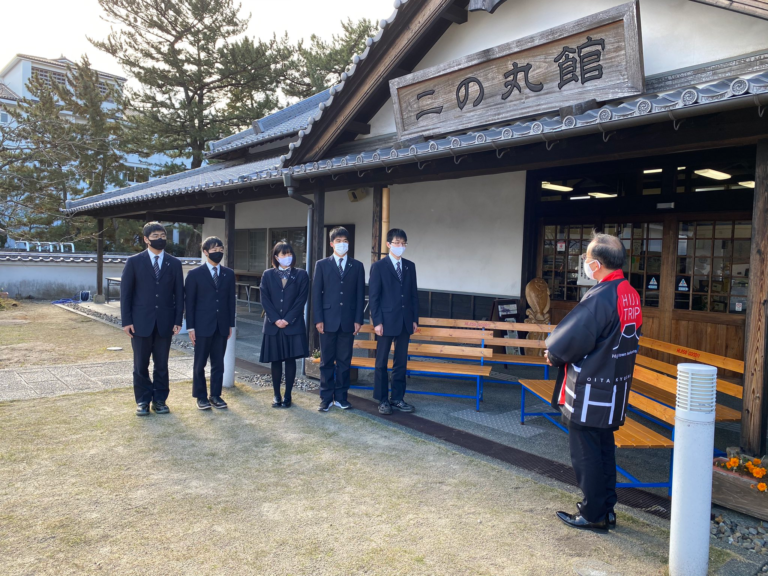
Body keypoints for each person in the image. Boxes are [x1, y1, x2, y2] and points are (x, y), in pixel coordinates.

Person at [544, 232, 643, 531]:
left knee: (586, 452)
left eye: (587, 260)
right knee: (604, 449)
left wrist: (552, 353)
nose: (585, 264)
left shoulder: (602, 296)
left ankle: (593, 513)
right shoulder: (630, 293)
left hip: (591, 387)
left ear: (597, 264)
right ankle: (606, 508)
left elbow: (569, 339)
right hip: (615, 384)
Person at [120, 222, 184, 416]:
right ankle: (142, 401)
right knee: (140, 365)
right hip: (140, 322)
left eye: (163, 235)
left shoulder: (174, 263)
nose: (160, 238)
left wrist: (178, 320)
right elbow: (126, 294)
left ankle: (160, 400)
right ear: (146, 239)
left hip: (165, 322)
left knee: (162, 364)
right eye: (155, 235)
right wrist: (126, 321)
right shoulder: (134, 262)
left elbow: (179, 294)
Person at [312, 226, 365, 412]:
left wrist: (359, 319)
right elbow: (316, 294)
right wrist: (318, 319)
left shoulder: (357, 266)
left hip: (348, 321)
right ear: (331, 244)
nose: (342, 244)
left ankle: (342, 397)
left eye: (345, 241)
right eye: (338, 241)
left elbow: (360, 295)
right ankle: (326, 398)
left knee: (344, 361)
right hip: (327, 320)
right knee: (326, 361)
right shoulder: (322, 264)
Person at [368, 228, 419, 415]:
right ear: (388, 244)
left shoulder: (410, 266)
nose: (400, 246)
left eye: (403, 243)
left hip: (405, 321)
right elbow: (374, 297)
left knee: (400, 362)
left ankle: (397, 398)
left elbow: (414, 294)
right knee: (381, 362)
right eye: (397, 243)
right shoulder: (379, 267)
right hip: (385, 322)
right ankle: (382, 399)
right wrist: (377, 322)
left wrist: (414, 319)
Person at [185, 237, 236, 410]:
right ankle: (201, 396)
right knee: (199, 363)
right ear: (205, 252)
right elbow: (189, 303)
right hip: (201, 326)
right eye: (214, 249)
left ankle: (216, 395)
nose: (218, 252)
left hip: (221, 325)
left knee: (218, 363)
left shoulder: (228, 274)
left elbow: (231, 301)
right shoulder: (194, 275)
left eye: (221, 249)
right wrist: (190, 327)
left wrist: (230, 324)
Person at [259, 240, 309, 408]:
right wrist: (275, 319)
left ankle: (288, 395)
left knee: (290, 360)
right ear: (276, 257)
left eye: (290, 254)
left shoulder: (301, 274)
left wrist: (287, 319)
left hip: (293, 324)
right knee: (275, 360)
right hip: (273, 325)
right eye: (283, 254)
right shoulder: (267, 274)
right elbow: (264, 298)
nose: (287, 257)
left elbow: (301, 299)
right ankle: (276, 394)